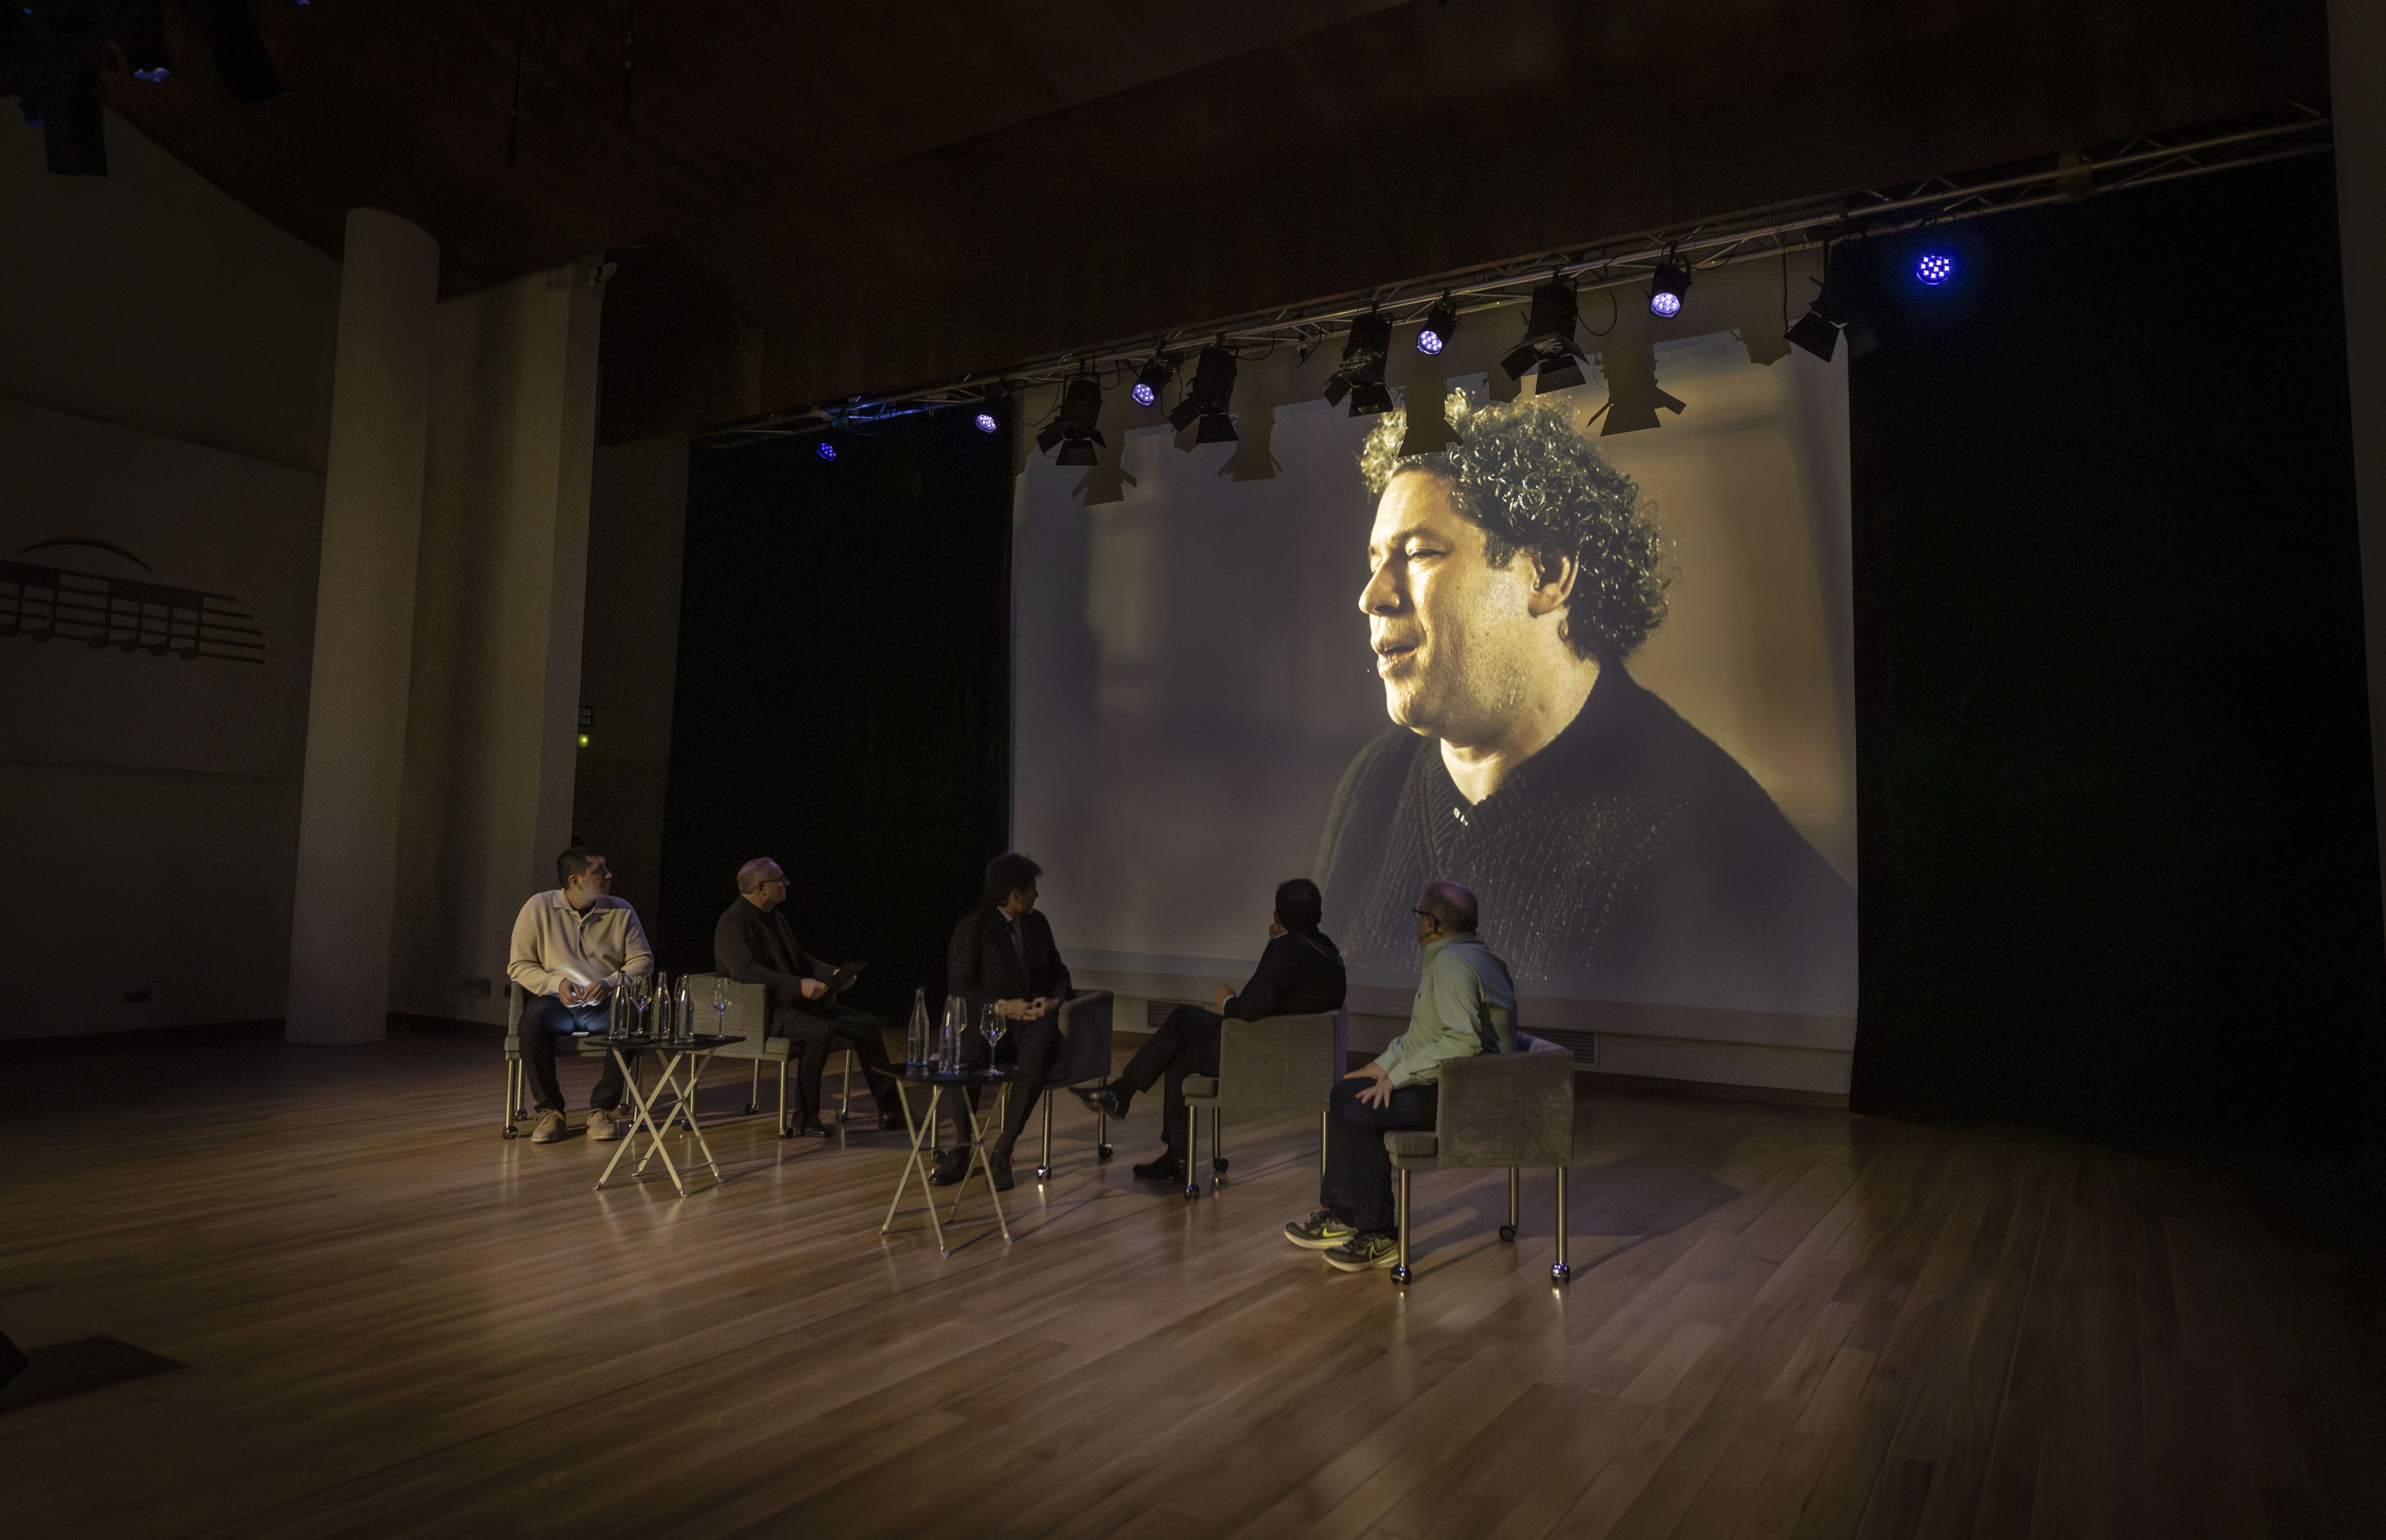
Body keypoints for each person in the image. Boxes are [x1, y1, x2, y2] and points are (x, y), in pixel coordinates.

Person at [1315, 395, 1857, 1019]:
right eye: (1375, 561)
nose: (1373, 596)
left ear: (1548, 575)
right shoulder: (1376, 783)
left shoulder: (1706, 834)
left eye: (1418, 554)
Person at [1286, 880, 1515, 1272]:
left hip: (1466, 1097)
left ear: (1432, 924)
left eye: (1419, 914)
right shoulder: (1468, 955)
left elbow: (1462, 1042)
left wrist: (1396, 1078)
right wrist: (1383, 1066)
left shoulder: (1452, 964)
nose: (1417, 922)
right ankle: (1344, 1215)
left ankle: (1378, 1233)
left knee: (1361, 1110)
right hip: (1457, 1085)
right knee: (1344, 1093)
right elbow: (1423, 1037)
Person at [1079, 877, 1346, 1184]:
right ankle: (1174, 1154)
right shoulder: (1330, 953)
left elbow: (1246, 1013)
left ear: (1277, 915)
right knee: (1182, 1056)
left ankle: (1124, 1094)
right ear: (1319, 914)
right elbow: (1283, 1000)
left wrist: (1226, 999)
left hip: (1264, 1061)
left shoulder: (1285, 950)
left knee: (1184, 1019)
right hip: (1300, 1063)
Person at [713, 858, 908, 1136]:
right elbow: (745, 972)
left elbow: (799, 958)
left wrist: (834, 974)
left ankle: (891, 1109)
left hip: (794, 1005)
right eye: (780, 879)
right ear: (761, 888)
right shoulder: (733, 922)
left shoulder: (775, 917)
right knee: (820, 1031)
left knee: (868, 1025)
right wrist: (797, 986)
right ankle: (806, 1117)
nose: (787, 883)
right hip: (765, 1011)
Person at [932, 852, 1072, 1193]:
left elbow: (1060, 974)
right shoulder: (974, 928)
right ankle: (962, 1147)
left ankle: (1003, 1151)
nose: (1037, 894)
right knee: (965, 1053)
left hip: (1030, 1023)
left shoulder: (1038, 924)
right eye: (1032, 888)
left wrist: (1054, 1000)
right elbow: (960, 991)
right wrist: (1003, 1007)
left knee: (1042, 1044)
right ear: (1014, 895)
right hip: (989, 1021)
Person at [506, 847, 654, 1144]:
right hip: (557, 1004)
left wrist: (610, 983)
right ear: (575, 881)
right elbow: (519, 966)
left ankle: (602, 1109)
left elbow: (643, 961)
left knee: (632, 1015)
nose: (609, 875)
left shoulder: (621, 910)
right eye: (600, 871)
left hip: (604, 1004)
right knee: (534, 1017)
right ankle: (550, 1111)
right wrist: (556, 983)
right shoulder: (539, 907)